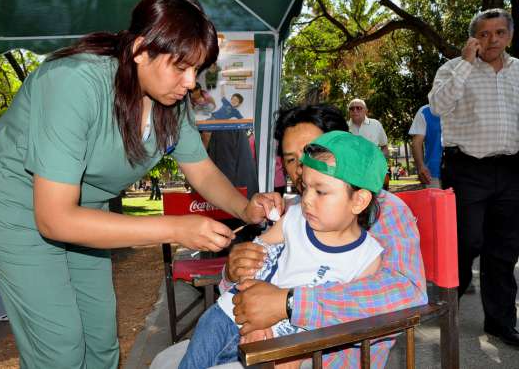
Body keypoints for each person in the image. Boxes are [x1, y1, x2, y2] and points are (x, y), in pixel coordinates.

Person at [0, 0, 280, 368]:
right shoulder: (73, 83)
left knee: (100, 339)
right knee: (61, 347)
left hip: (84, 210)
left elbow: (202, 170)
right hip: (14, 210)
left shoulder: (170, 103)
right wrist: (175, 227)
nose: (191, 83)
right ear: (140, 50)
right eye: (181, 67)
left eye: (196, 69)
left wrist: (246, 207)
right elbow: (54, 219)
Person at [223, 104, 427, 367]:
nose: (300, 168)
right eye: (291, 159)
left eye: (310, 151)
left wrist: (289, 303)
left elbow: (406, 294)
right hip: (252, 338)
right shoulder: (298, 210)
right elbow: (253, 286)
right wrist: (233, 272)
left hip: (329, 355)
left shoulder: (381, 209)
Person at [180, 131, 388, 369]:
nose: (307, 199)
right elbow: (257, 256)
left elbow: (342, 312)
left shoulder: (367, 257)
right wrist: (239, 272)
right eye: (305, 188)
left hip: (281, 348)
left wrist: (296, 350)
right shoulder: (295, 218)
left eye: (320, 191)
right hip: (225, 318)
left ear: (359, 201)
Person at [429, 8, 519, 346]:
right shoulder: (453, 69)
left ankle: (500, 322)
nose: (492, 39)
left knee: (504, 250)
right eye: (484, 34)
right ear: (473, 39)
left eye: (499, 32)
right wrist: (465, 63)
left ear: (509, 35)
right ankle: (446, 307)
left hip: (511, 170)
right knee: (466, 242)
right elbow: (437, 106)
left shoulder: (518, 72)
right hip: (467, 169)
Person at [408, 105, 442, 188]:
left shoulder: (464, 106)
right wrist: (420, 166)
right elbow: (417, 142)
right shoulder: (425, 111)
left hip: (464, 170)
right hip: (433, 173)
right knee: (437, 200)